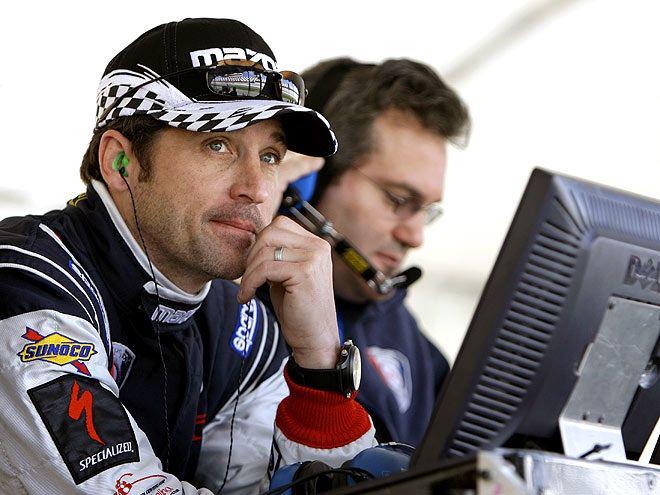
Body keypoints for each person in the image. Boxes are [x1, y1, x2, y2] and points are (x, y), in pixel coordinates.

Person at [0, 20, 374, 494]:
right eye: (218, 145)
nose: (257, 189)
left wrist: (320, 369)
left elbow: (280, 486)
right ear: (121, 162)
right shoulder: (27, 283)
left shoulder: (240, 321)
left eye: (270, 156)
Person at [285, 57, 471, 447]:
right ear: (309, 179)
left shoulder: (408, 339)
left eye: (426, 211)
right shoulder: (235, 311)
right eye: (399, 200)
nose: (415, 236)